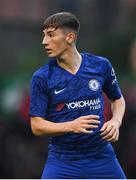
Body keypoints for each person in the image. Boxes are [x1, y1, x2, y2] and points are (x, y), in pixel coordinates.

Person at [29, 12, 126, 179]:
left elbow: (117, 99)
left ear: (70, 37)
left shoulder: (100, 65)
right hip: (62, 161)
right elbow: (36, 125)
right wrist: (70, 126)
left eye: (51, 35)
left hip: (101, 156)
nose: (44, 41)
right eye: (44, 35)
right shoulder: (42, 77)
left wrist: (116, 122)